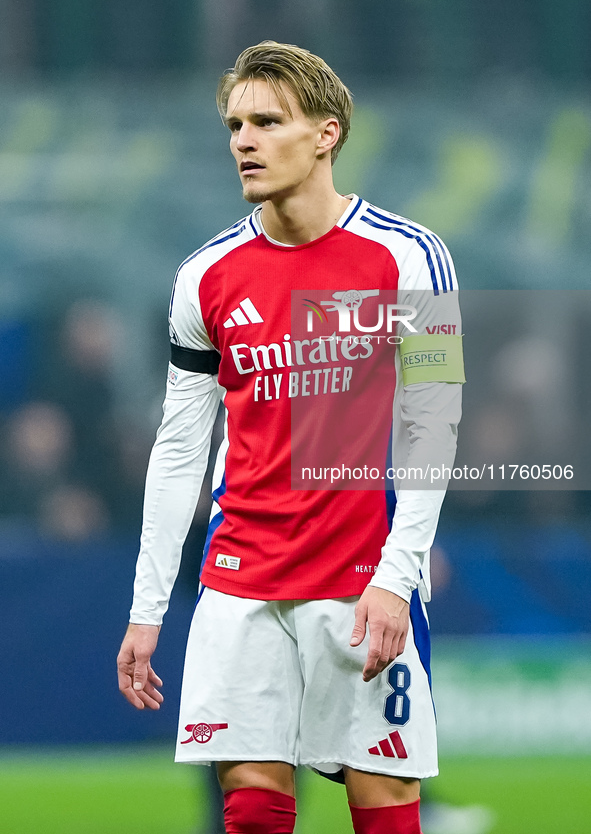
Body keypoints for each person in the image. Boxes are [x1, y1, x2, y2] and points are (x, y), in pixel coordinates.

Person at [117, 41, 464, 834]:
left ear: (325, 134)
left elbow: (433, 425)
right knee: (251, 817)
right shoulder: (204, 276)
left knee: (383, 811)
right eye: (235, 123)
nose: (243, 139)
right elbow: (179, 447)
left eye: (267, 121)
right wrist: (146, 609)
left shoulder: (410, 256)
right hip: (239, 582)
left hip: (357, 579)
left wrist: (396, 577)